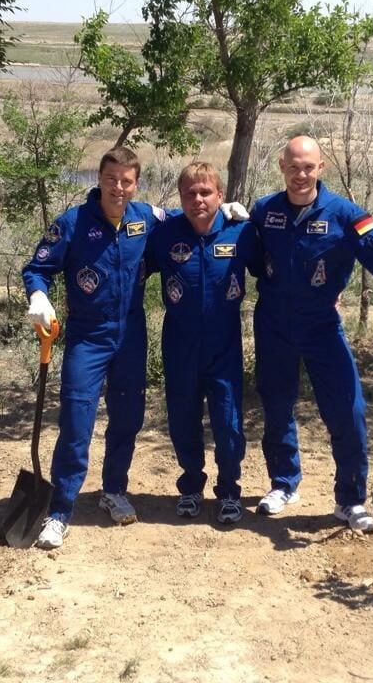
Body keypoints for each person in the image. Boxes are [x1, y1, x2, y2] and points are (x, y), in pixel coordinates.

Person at [22, 147, 248, 549]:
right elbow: (37, 268)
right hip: (88, 338)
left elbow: (186, 219)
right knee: (76, 422)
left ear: (136, 184)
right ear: (100, 179)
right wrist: (38, 296)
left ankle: (114, 490)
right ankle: (60, 509)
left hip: (131, 336)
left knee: (127, 419)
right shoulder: (73, 223)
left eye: (127, 181)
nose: (119, 188)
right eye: (112, 179)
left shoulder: (146, 218)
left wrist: (222, 208)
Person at [250, 135, 373, 533]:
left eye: (309, 167)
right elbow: (239, 251)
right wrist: (225, 218)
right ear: (281, 166)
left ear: (321, 169)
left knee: (348, 411)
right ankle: (284, 484)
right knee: (276, 407)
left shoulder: (345, 214)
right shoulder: (264, 211)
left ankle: (350, 499)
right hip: (273, 325)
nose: (300, 174)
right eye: (293, 166)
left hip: (321, 327)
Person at [146, 162, 261, 525]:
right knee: (183, 419)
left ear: (220, 195)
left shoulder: (241, 234)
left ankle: (229, 490)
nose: (198, 199)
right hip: (179, 345)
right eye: (190, 192)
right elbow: (130, 257)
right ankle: (191, 487)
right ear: (180, 197)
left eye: (206, 192)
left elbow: (274, 267)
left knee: (228, 422)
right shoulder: (165, 234)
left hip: (224, 345)